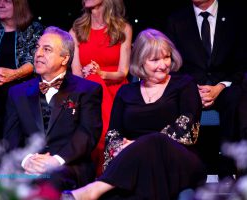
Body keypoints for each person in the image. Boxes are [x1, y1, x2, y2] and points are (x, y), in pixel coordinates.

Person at [61, 28, 206, 200]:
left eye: (166, 57)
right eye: (155, 60)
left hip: (178, 162)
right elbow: (113, 136)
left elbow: (187, 130)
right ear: (141, 61)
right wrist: (128, 149)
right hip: (138, 167)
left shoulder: (184, 84)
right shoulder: (126, 92)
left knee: (156, 140)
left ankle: (95, 188)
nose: (163, 64)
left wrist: (137, 145)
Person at [3, 26, 103, 191]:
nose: (38, 54)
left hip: (69, 165)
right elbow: (10, 136)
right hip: (28, 164)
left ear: (64, 59)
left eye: (47, 49)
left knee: (47, 181)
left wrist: (56, 160)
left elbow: (87, 134)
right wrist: (26, 160)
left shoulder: (87, 90)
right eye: (37, 48)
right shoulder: (17, 92)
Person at [166, 0, 247, 179]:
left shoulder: (235, 15)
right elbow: (172, 65)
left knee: (236, 98)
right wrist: (194, 89)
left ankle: (229, 171)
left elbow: (241, 63)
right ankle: (191, 172)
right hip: (190, 86)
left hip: (225, 86)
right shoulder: (176, 19)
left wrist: (219, 87)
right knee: (179, 100)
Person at [69, 0, 132, 176]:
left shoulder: (122, 28)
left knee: (96, 80)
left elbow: (123, 72)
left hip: (116, 91)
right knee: (93, 83)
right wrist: (91, 76)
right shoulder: (76, 30)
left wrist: (101, 73)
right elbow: (76, 75)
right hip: (88, 92)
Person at [0, 0, 44, 110]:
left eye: (7, 1)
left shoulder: (34, 29)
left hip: (24, 93)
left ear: (19, 5)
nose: (0, 4)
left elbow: (34, 61)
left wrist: (14, 74)